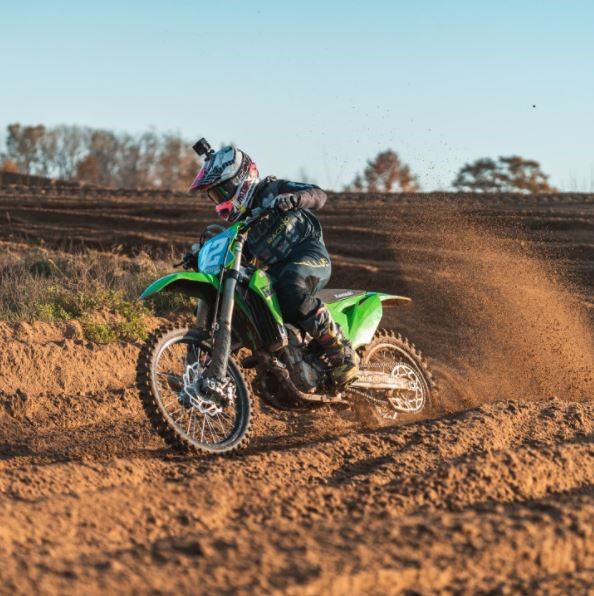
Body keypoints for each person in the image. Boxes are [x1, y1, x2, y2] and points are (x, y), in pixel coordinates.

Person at [188, 141, 359, 387]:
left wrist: (294, 198)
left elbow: (319, 195)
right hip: (278, 270)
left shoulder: (273, 189)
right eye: (215, 195)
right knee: (248, 294)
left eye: (222, 191)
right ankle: (209, 372)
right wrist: (199, 255)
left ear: (240, 179)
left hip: (307, 251)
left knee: (290, 284)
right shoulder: (243, 227)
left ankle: (340, 350)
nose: (220, 199)